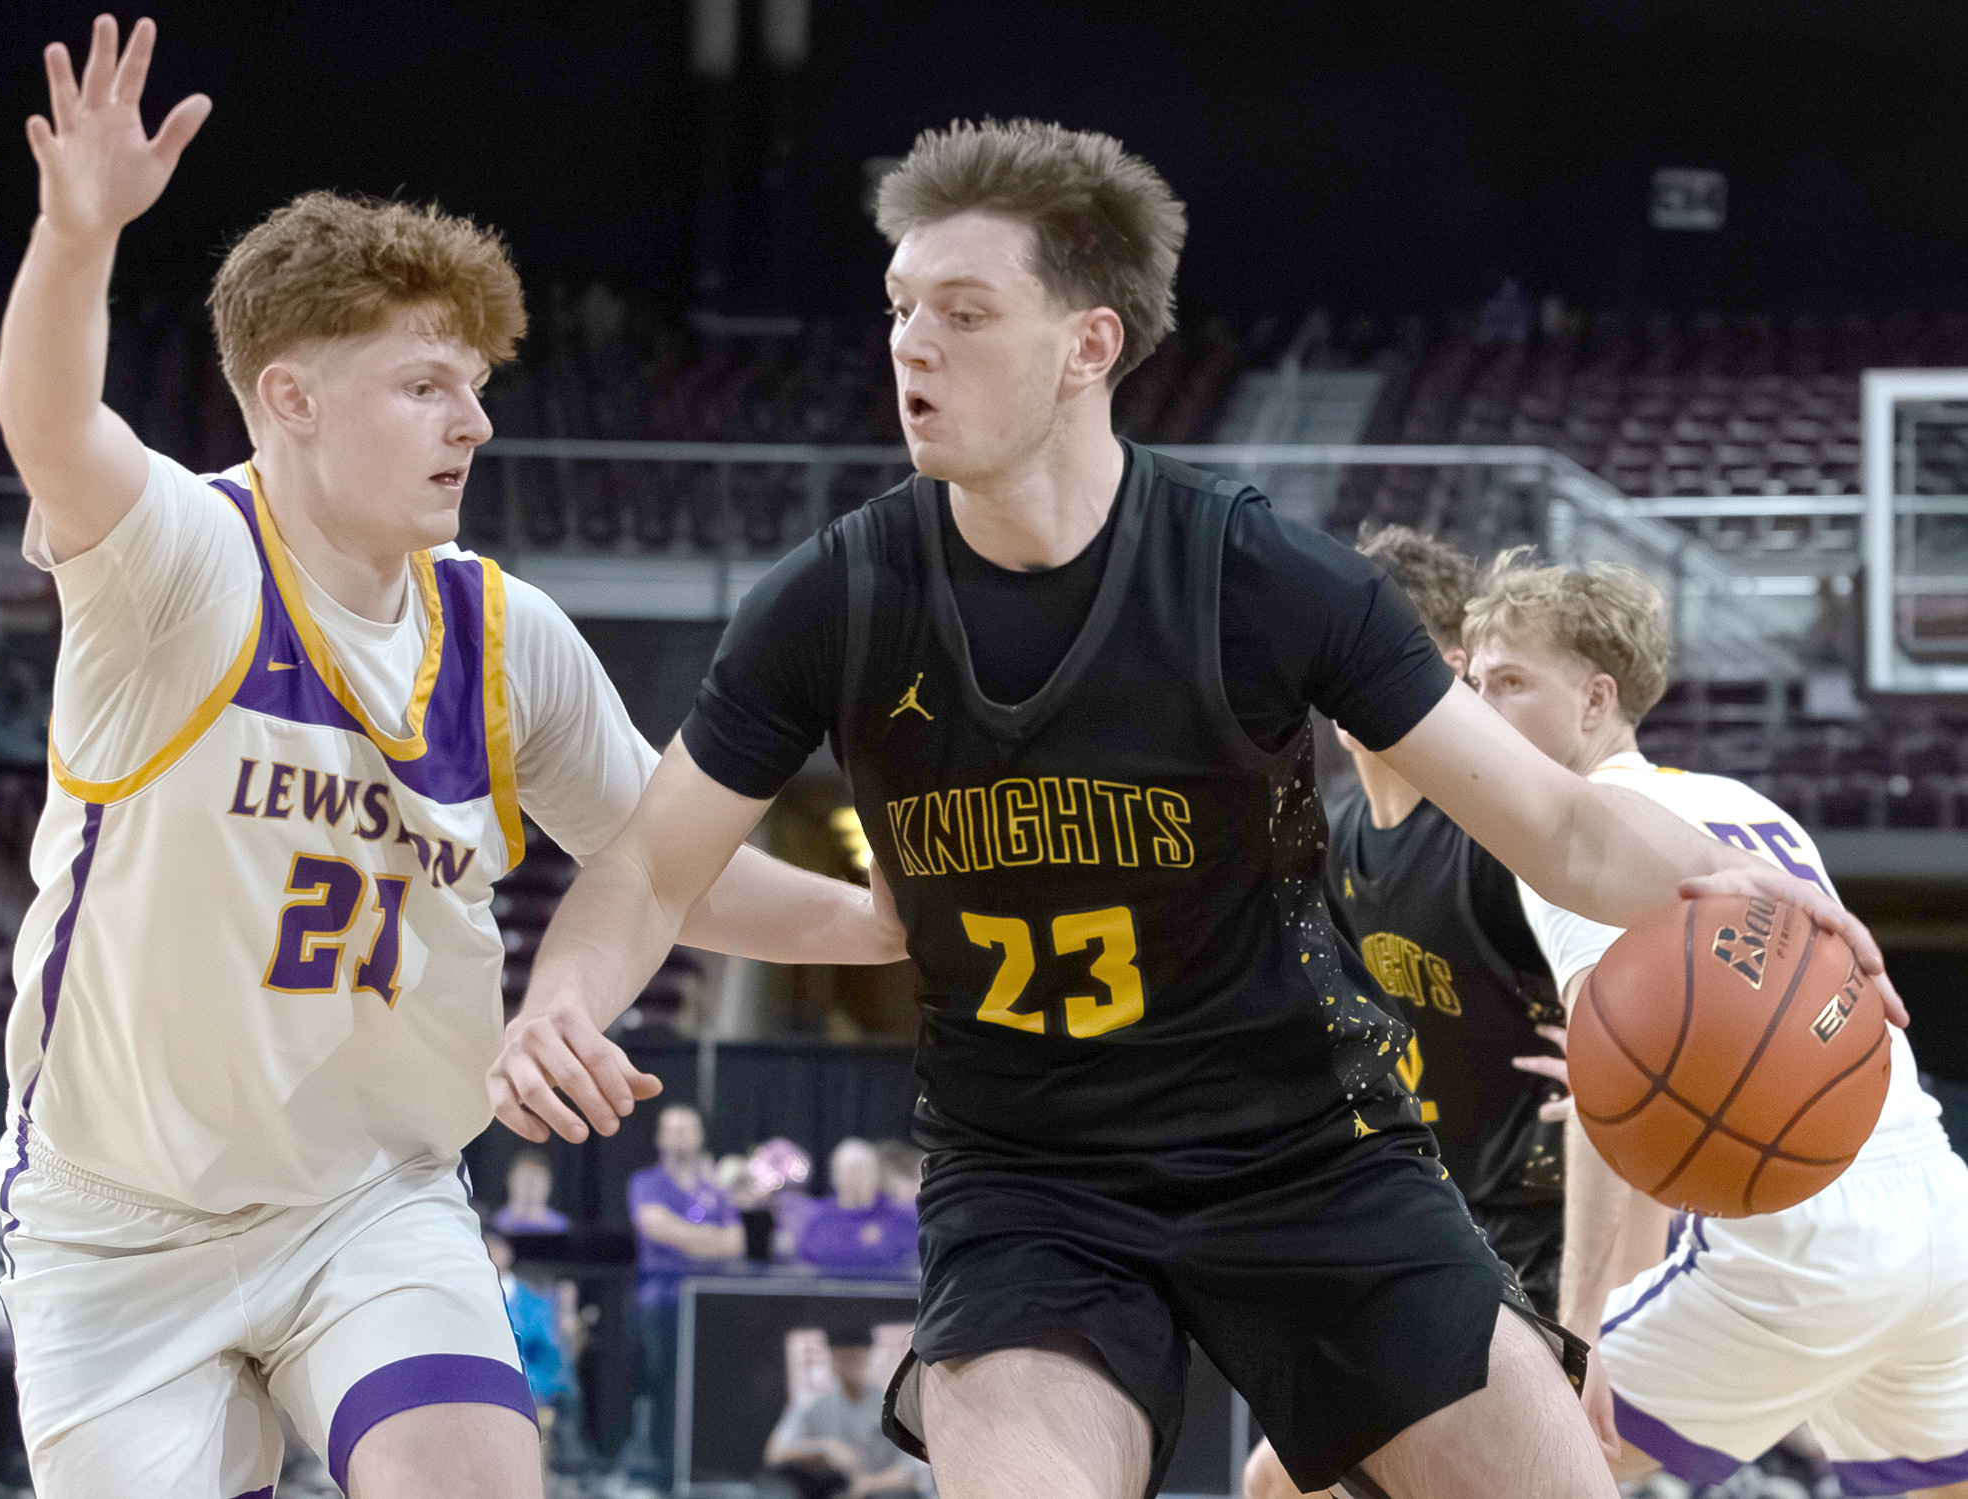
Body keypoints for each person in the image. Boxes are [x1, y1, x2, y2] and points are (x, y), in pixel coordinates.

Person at [491, 118, 1899, 1499]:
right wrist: (563, 995)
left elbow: (1565, 824)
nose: (911, 345)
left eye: (964, 313)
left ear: (1087, 343)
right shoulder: (832, 601)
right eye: (901, 307)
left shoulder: (1258, 577)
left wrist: (1745, 879)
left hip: (1307, 1149)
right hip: (1029, 1181)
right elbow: (648, 866)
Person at [0, 20, 901, 1499]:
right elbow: (46, 419)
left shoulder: (504, 631)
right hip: (121, 1219)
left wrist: (879, 921)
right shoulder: (185, 560)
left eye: (476, 384)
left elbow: (666, 861)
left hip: (370, 1199)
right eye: (426, 384)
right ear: (291, 396)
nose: (473, 420)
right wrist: (77, 233)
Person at [1464, 550, 1968, 1499]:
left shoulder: (1589, 831)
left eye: (1511, 682)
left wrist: (1582, 1331)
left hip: (1798, 1236)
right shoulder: (1742, 803)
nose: (1478, 709)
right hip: (1938, 1216)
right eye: (1474, 683)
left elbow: (1618, 1101)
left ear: (1595, 698)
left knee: (1416, 1473)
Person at [1240, 526, 1568, 1499]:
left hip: (1545, 1234)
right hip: (1433, 1228)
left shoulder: (1494, 836)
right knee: (1277, 1482)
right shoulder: (1333, 836)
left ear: (1446, 668)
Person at [623, 1105, 742, 1488]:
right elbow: (655, 1227)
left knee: (710, 1387)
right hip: (663, 1302)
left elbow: (735, 1243)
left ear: (700, 1136)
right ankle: (660, 1473)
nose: (678, 1137)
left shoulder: (715, 1189)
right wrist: (708, 1239)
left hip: (712, 1305)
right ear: (659, 1137)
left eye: (686, 1129)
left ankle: (704, 1470)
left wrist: (686, 1239)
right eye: (671, 1130)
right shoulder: (646, 1182)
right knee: (664, 1387)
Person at [765, 1326, 928, 1499]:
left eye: (855, 1356)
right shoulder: (815, 1404)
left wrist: (869, 1484)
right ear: (832, 1357)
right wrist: (824, 1448)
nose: (850, 1364)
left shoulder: (891, 1402)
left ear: (867, 1354)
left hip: (884, 1493)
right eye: (843, 1357)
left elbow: (915, 1467)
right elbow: (775, 1452)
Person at [483, 1226, 591, 1476]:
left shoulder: (532, 1297)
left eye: (494, 1247)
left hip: (531, 1375)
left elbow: (545, 1342)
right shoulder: (471, 1294)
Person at [794, 1140, 918, 1278]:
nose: (855, 1179)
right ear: (835, 1177)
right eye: (849, 1171)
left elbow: (910, 1264)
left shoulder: (901, 1219)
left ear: (876, 1174)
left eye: (862, 1171)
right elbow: (807, 1264)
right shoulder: (819, 1220)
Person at [495, 1148, 571, 1235]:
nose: (530, 1185)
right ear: (510, 1180)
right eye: (524, 1177)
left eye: (537, 1179)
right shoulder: (494, 1222)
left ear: (549, 1185)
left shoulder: (562, 1226)